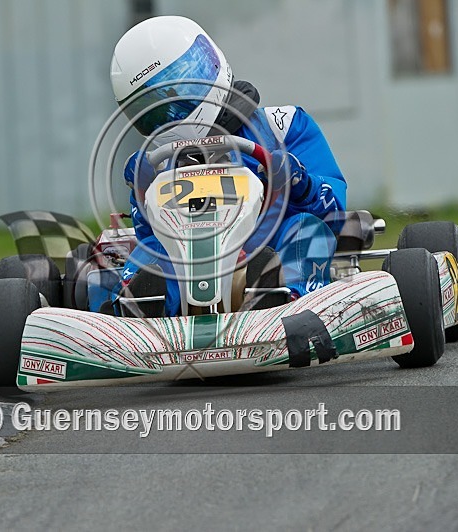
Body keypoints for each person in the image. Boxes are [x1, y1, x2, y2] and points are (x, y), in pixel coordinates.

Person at [109, 15, 346, 317]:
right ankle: (140, 311)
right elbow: (149, 236)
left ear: (209, 64)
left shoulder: (283, 127)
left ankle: (285, 299)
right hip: (186, 260)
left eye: (178, 89)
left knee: (306, 229)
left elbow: (334, 211)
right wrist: (141, 193)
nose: (171, 109)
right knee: (152, 251)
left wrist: (302, 185)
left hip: (267, 247)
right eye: (152, 108)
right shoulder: (159, 163)